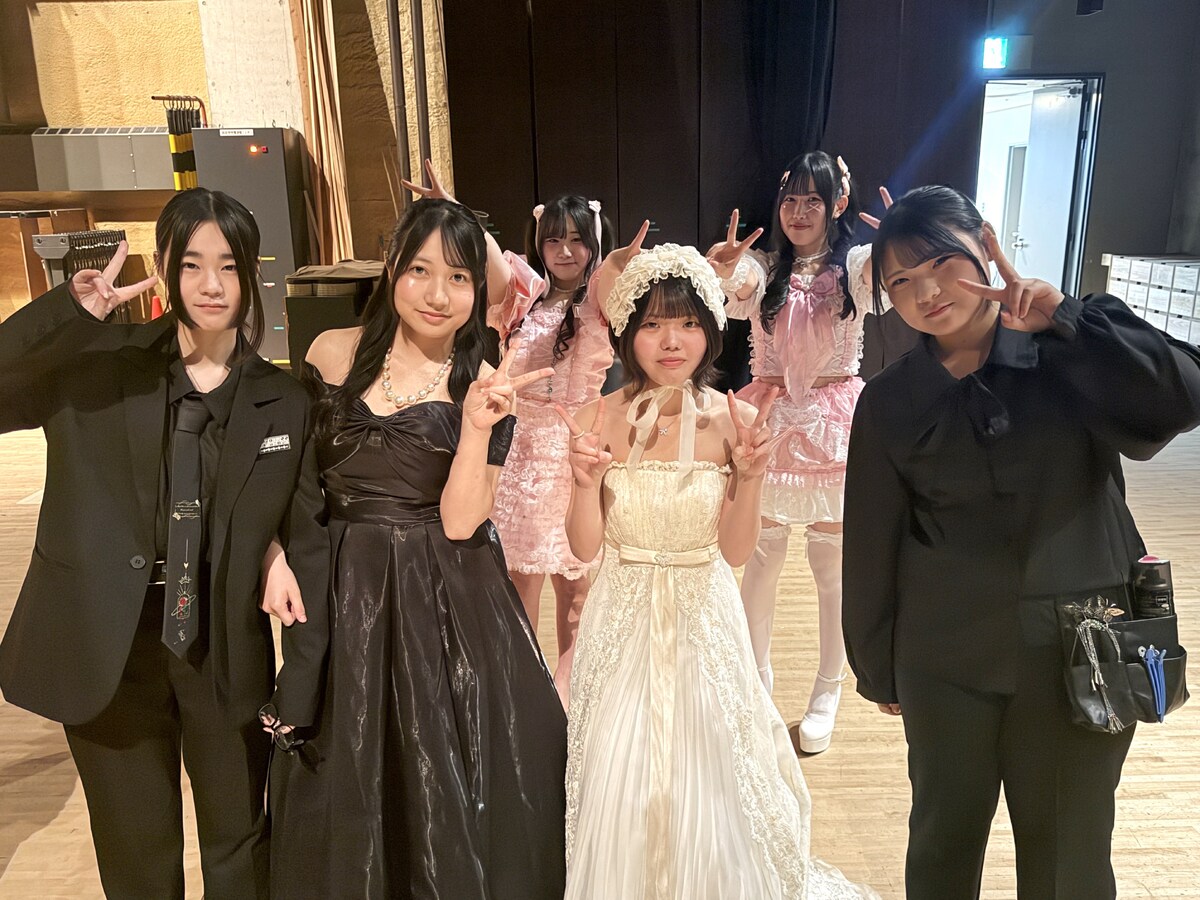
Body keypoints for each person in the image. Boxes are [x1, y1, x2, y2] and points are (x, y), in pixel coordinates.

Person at [843, 185, 1200, 898]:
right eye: (901, 282)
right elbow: (872, 542)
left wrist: (1065, 319)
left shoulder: (1072, 342)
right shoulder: (890, 400)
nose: (927, 293)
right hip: (945, 659)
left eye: (941, 263)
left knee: (1072, 854)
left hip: (1082, 648)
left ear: (985, 243)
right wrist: (878, 666)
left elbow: (1182, 394)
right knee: (942, 846)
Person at [0, 188, 329, 898]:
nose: (212, 285)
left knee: (240, 847)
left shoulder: (285, 401)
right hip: (107, 647)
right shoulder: (96, 364)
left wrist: (299, 674)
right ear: (164, 270)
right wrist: (70, 313)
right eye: (192, 265)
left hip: (223, 646)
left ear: (251, 273)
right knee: (138, 858)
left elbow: (306, 538)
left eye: (229, 265)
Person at [559, 233, 879, 899]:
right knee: (621, 764)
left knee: (711, 768)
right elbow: (586, 548)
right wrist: (585, 483)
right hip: (621, 618)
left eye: (687, 324)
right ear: (627, 333)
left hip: (704, 616)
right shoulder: (597, 416)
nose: (671, 341)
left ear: (710, 330)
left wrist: (753, 476)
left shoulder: (736, 418)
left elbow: (734, 552)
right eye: (653, 325)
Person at [267, 197, 568, 900]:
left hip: (445, 596)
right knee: (352, 761)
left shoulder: (483, 378)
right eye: (421, 270)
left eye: (459, 278)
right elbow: (293, 482)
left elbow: (462, 521)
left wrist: (475, 427)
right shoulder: (329, 352)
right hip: (345, 589)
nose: (438, 294)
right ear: (392, 270)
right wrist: (272, 555)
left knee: (446, 772)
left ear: (478, 291)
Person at [711, 149, 868, 754]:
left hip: (834, 421)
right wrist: (724, 268)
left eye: (813, 200)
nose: (799, 212)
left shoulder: (855, 269)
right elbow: (735, 284)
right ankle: (757, 685)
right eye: (790, 200)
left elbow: (896, 271)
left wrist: (904, 238)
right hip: (771, 417)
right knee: (762, 557)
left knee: (832, 566)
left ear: (838, 204)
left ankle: (829, 688)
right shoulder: (764, 270)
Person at [486, 195, 614, 706]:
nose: (564, 250)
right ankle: (528, 698)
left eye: (578, 239)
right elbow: (489, 257)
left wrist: (621, 258)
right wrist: (453, 210)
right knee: (520, 584)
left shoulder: (600, 301)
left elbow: (618, 273)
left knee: (577, 586)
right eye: (554, 239)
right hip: (519, 450)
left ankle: (571, 698)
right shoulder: (522, 298)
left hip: (575, 448)